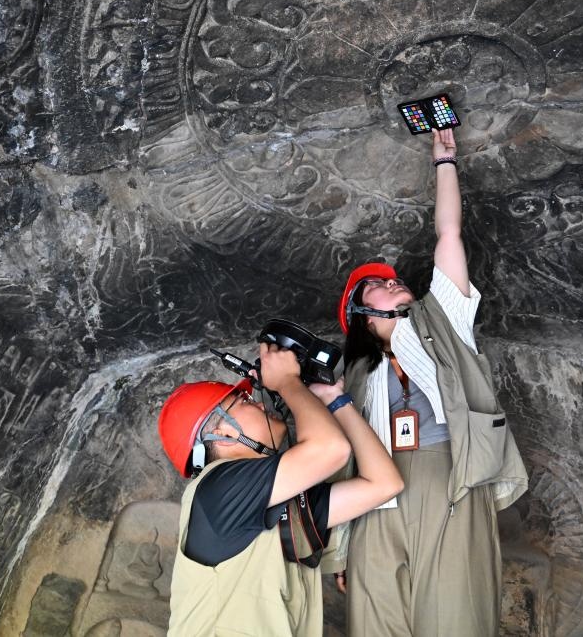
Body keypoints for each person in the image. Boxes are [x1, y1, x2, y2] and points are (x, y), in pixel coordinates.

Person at [326, 127, 529, 636]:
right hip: (376, 492)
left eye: (393, 278)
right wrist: (346, 546)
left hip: (448, 480)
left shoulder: (444, 320)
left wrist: (444, 162)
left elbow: (449, 234)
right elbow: (344, 455)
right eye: (375, 284)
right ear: (358, 315)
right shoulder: (351, 373)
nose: (392, 280)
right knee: (375, 620)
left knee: (454, 616)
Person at [158, 341, 404, 637]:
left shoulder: (283, 501)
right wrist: (287, 382)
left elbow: (384, 483)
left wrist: (334, 401)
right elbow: (331, 450)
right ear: (222, 434)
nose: (261, 404)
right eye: (245, 402)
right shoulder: (216, 490)